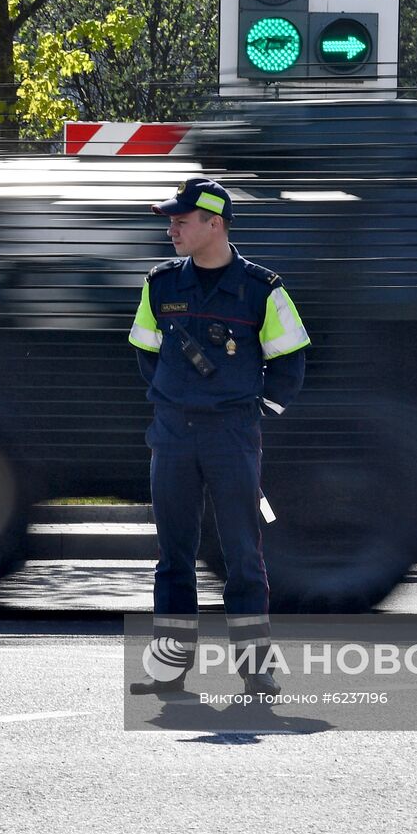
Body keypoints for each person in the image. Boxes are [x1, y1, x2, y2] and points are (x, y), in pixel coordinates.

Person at [126, 177, 310, 696]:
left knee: (243, 556)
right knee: (174, 557)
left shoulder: (262, 289)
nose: (172, 229)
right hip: (173, 435)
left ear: (216, 224)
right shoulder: (160, 283)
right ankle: (169, 671)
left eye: (181, 221)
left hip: (231, 437)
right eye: (171, 220)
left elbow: (290, 361)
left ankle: (256, 672)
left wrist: (252, 412)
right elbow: (147, 352)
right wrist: (176, 398)